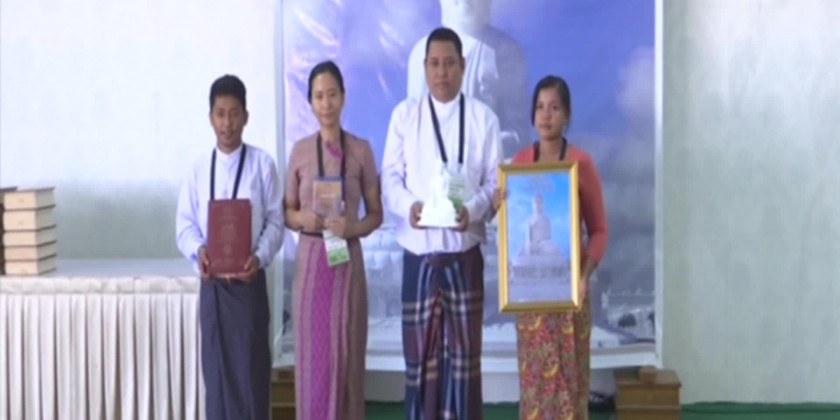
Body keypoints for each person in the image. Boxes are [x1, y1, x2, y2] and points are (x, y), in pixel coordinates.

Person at [382, 27, 501, 420]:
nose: (442, 72)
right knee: (420, 363)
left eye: (449, 63)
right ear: (424, 67)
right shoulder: (405, 116)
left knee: (464, 362)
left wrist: (474, 210)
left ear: (463, 66)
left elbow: (494, 183)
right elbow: (389, 178)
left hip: (464, 257)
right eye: (434, 63)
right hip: (419, 257)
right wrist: (409, 207)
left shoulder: (484, 119)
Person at [492, 75, 608, 420]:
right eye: (540, 107)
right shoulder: (518, 165)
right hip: (532, 299)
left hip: (571, 293)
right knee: (536, 387)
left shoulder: (581, 164)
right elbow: (515, 235)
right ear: (532, 114)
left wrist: (583, 276)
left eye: (554, 107)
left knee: (570, 382)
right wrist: (500, 208)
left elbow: (599, 231)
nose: (546, 115)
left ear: (567, 115)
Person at [175, 74, 285, 420]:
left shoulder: (262, 165)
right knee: (217, 378)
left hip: (248, 287)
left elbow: (276, 222)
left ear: (246, 116)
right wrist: (199, 251)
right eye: (220, 114)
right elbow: (184, 226)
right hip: (213, 290)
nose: (227, 123)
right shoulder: (197, 170)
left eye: (234, 113)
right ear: (210, 117)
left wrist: (259, 256)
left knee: (251, 376)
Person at [284, 60, 383, 420]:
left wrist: (350, 228)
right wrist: (302, 219)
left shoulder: (361, 150)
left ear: (343, 97)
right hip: (311, 263)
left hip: (346, 262)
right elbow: (287, 211)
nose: (326, 103)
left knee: (348, 357)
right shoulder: (299, 151)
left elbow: (376, 214)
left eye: (332, 95)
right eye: (318, 96)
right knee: (314, 363)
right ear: (310, 102)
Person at [406, 0, 529, 158]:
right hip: (434, 164)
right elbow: (415, 130)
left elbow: (518, 133)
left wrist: (476, 148)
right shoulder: (421, 53)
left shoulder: (505, 52)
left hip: (486, 164)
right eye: (435, 64)